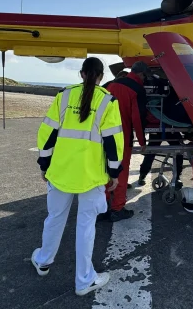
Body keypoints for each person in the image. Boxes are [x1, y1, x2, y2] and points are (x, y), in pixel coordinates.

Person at [31, 57, 124, 296]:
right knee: (86, 226)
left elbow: (47, 132)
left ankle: (43, 261)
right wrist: (114, 171)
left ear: (82, 74)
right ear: (101, 76)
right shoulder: (108, 101)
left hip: (61, 171)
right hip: (91, 175)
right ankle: (84, 280)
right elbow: (113, 140)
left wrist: (45, 163)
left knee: (55, 218)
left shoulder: (63, 96)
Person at [102, 61, 149, 221]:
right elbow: (137, 118)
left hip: (103, 135)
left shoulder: (112, 85)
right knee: (121, 173)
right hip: (122, 137)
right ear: (141, 74)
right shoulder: (137, 89)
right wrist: (142, 142)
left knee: (105, 172)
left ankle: (102, 207)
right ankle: (117, 208)